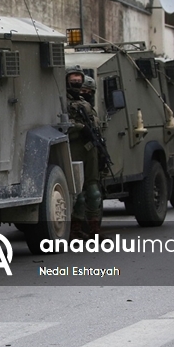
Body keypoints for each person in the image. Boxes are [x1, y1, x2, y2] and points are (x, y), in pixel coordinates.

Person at [66, 67, 104, 238]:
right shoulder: (62, 102)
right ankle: (76, 229)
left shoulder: (85, 103)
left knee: (94, 192)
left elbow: (95, 125)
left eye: (78, 80)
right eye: (73, 80)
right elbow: (61, 124)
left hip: (90, 150)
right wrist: (81, 128)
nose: (76, 83)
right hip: (74, 148)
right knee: (78, 194)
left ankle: (94, 229)